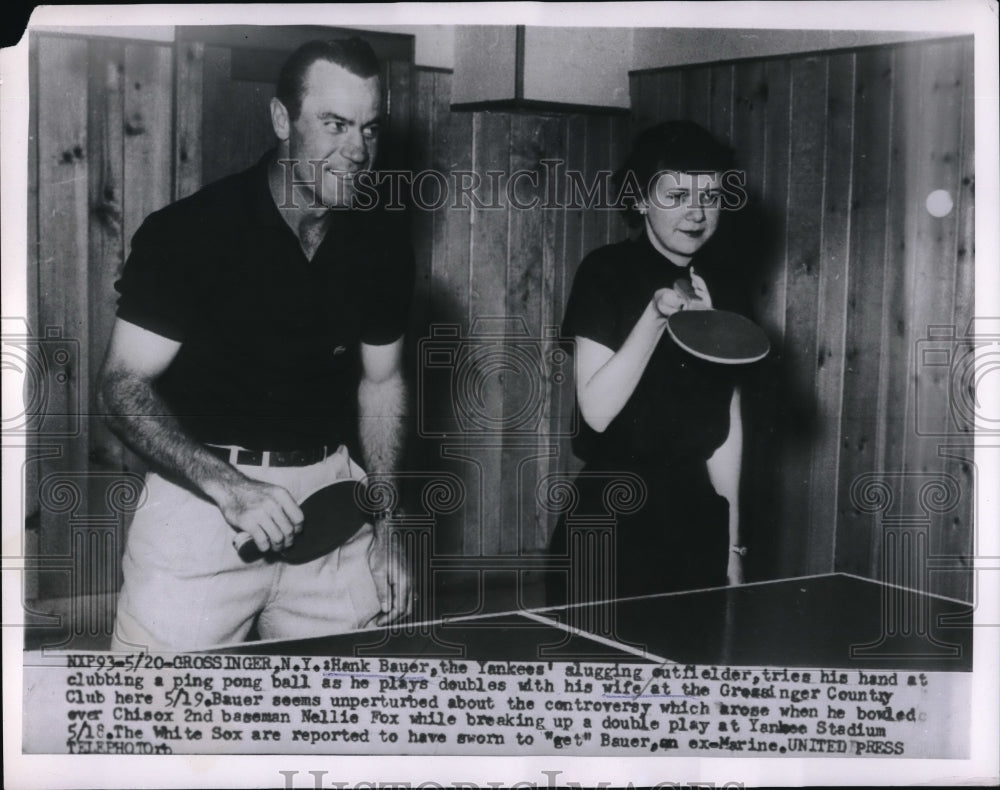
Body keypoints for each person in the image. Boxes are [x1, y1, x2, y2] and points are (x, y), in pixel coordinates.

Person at [98, 38, 414, 652]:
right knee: (153, 710)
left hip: (333, 512)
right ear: (281, 120)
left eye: (370, 128)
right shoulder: (190, 233)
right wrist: (231, 487)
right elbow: (120, 388)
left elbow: (382, 383)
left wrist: (389, 520)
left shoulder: (382, 247)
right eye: (335, 124)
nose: (357, 150)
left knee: (350, 706)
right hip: (202, 503)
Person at [547, 121, 749, 606]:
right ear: (639, 200)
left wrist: (732, 545)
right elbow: (597, 412)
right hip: (610, 521)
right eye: (677, 195)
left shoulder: (725, 288)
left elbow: (726, 430)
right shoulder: (605, 272)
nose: (697, 212)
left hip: (696, 517)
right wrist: (655, 317)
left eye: (710, 196)